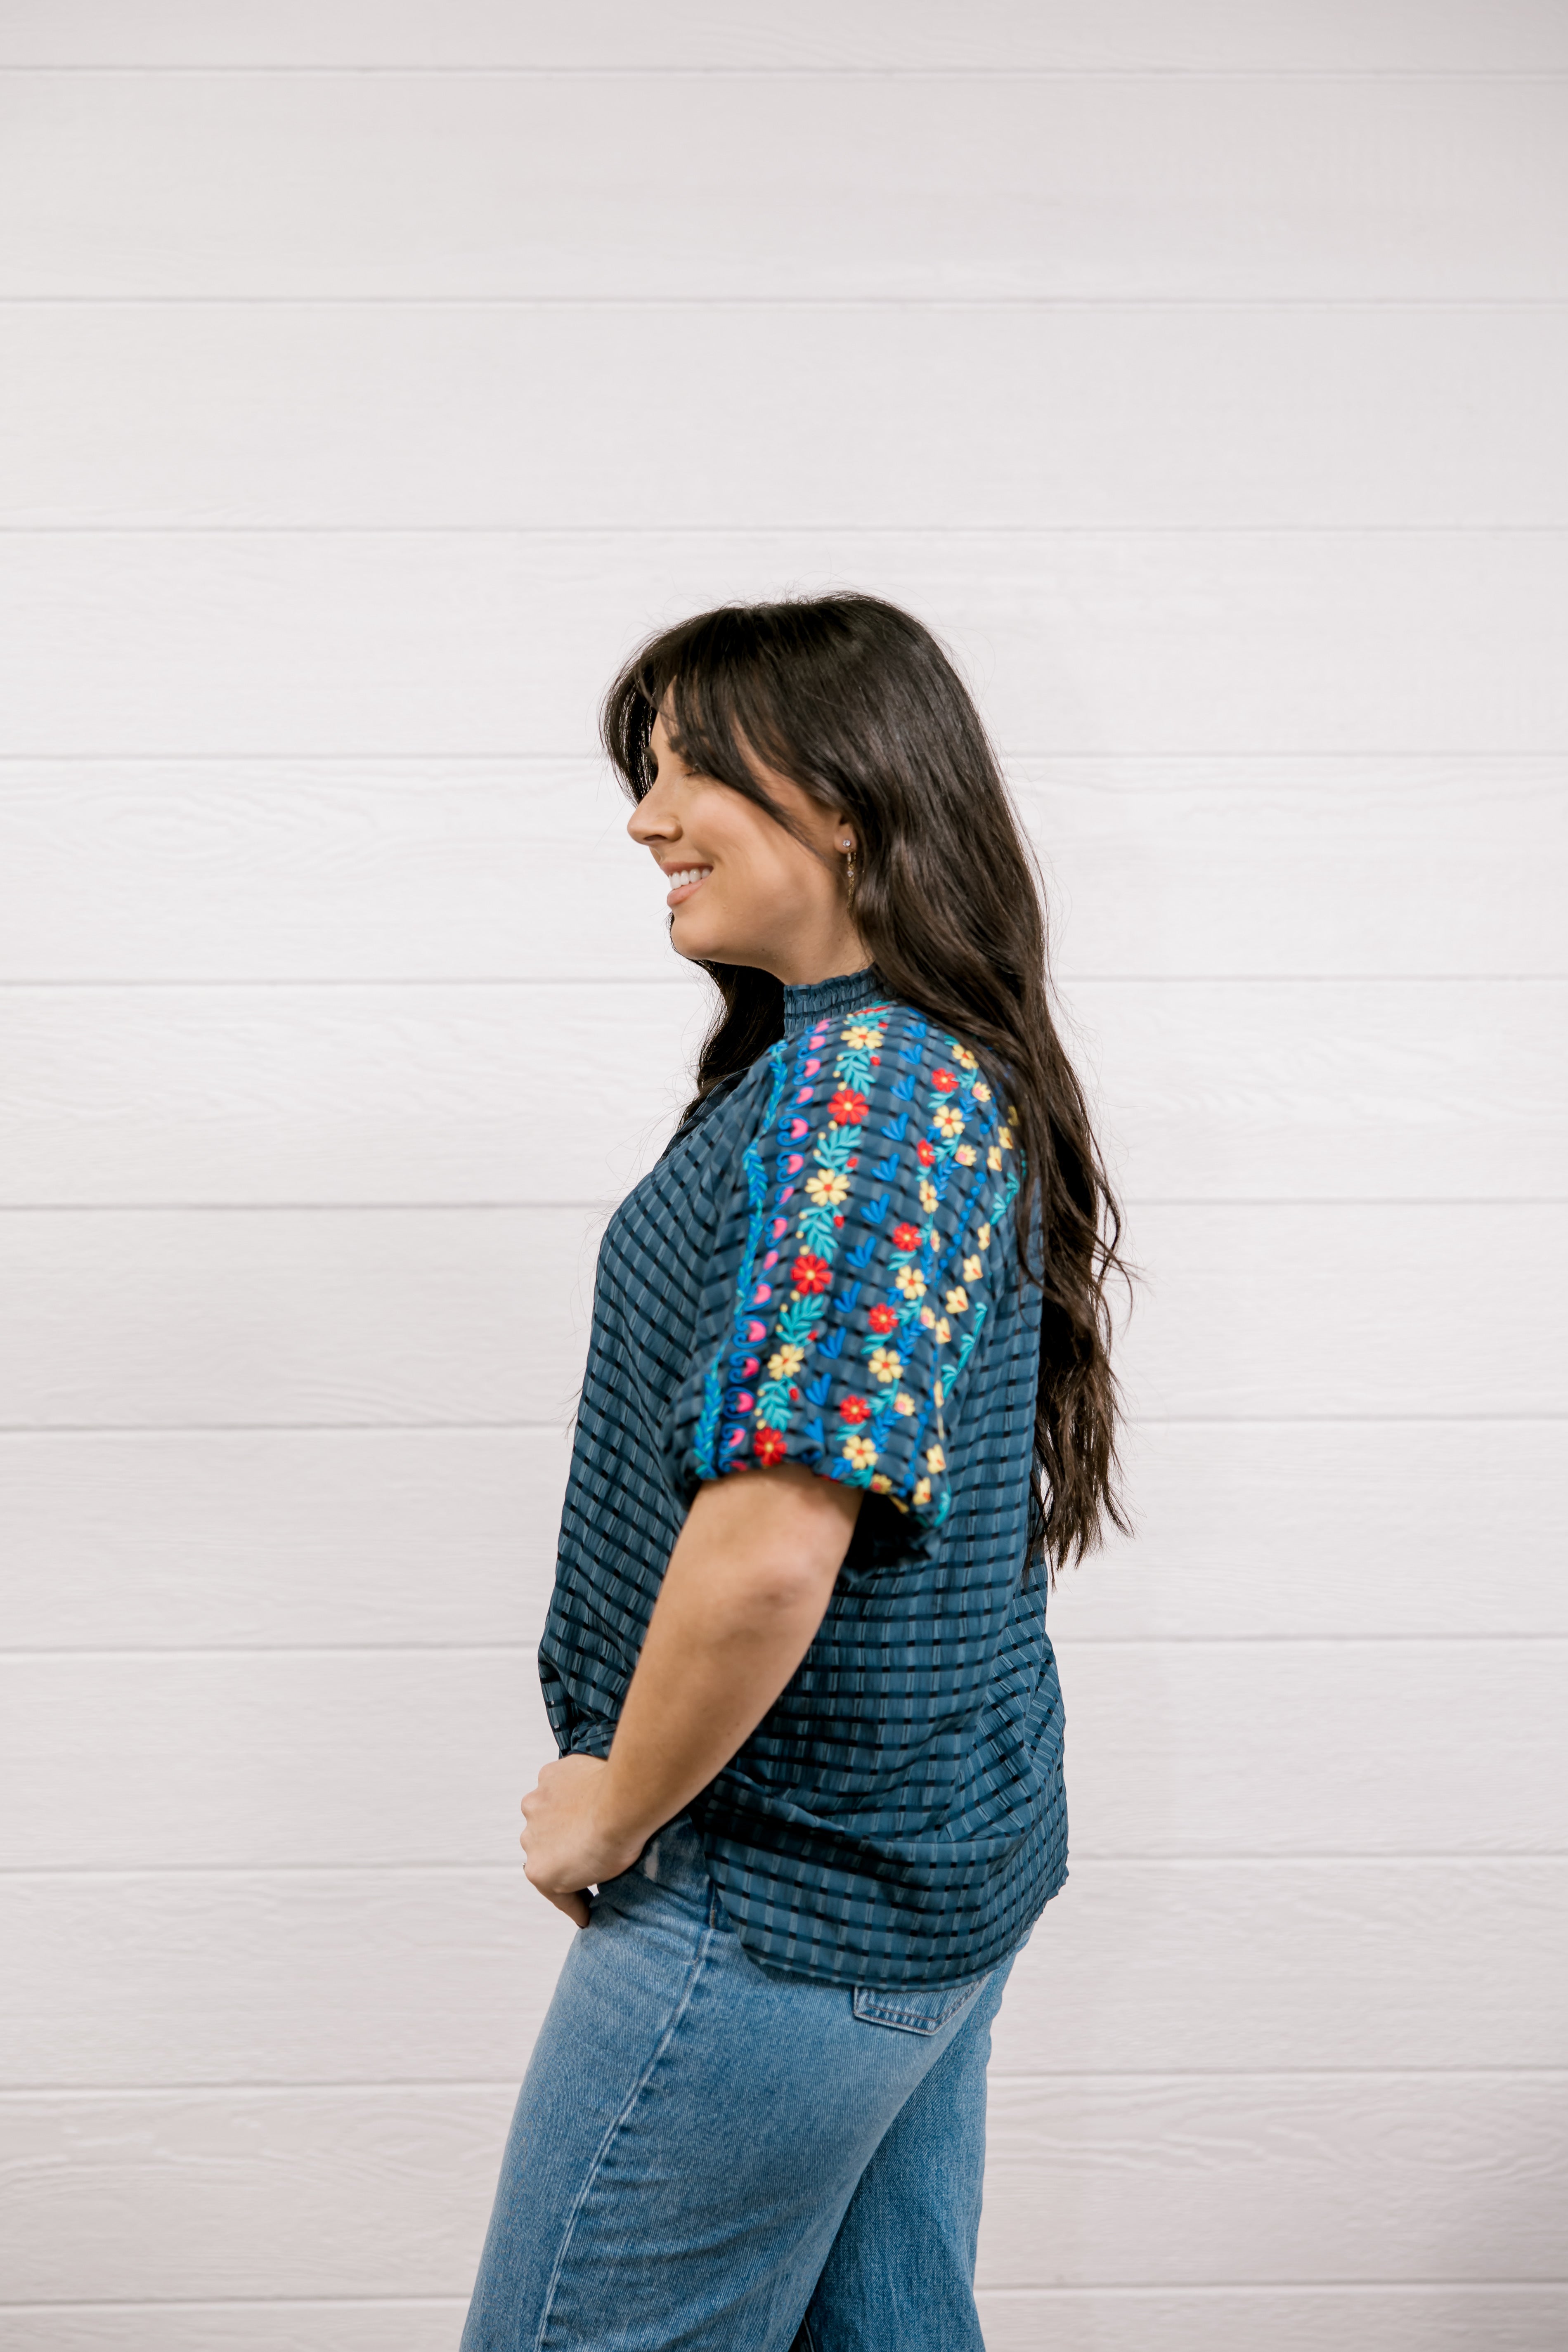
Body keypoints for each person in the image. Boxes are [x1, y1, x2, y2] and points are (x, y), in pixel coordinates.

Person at [460, 594, 1126, 2351]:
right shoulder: (890, 1064)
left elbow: (770, 1552)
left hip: (773, 1902)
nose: (644, 815)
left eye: (688, 770)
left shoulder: (870, 1097)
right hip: (914, 1879)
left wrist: (613, 1807)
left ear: (838, 800)